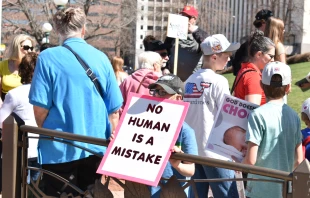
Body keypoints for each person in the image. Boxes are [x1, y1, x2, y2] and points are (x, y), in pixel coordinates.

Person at [29, 7, 123, 196]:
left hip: (58, 149)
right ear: (83, 29)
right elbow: (114, 111)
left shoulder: (47, 57)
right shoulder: (102, 58)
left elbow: (40, 109)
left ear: (57, 30)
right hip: (95, 147)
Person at [184, 34, 240, 198]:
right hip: (216, 153)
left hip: (194, 151)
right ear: (215, 56)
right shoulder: (219, 81)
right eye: (227, 56)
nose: (229, 60)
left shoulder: (189, 80)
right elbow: (226, 116)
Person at [242, 61, 303, 198]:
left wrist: (238, 164)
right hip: (284, 189)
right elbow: (299, 160)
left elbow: (251, 160)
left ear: (262, 85)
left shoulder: (257, 114)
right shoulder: (295, 116)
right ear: (287, 88)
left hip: (258, 190)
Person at [147, 74, 198, 197]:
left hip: (173, 193)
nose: (157, 96)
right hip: (146, 191)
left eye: (163, 92)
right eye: (155, 92)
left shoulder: (185, 131)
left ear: (178, 98)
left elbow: (191, 170)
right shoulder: (144, 124)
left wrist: (177, 164)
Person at [164, 5, 208, 81]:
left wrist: (194, 31)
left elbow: (208, 45)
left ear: (194, 19)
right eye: (183, 17)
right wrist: (165, 68)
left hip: (193, 79)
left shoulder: (200, 34)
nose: (185, 20)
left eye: (188, 17)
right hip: (174, 79)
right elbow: (165, 51)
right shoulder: (173, 33)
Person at [232, 30, 275, 105]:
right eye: (270, 56)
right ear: (259, 54)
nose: (273, 60)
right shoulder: (253, 77)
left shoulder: (244, 69)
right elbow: (252, 112)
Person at [232, 9, 273, 76]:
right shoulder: (251, 43)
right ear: (263, 22)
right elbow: (237, 67)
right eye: (271, 22)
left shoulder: (258, 40)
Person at [0, 34, 35, 103]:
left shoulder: (33, 67)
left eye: (31, 48)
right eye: (26, 47)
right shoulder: (2, 65)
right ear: (16, 47)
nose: (29, 51)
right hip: (6, 107)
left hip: (26, 107)